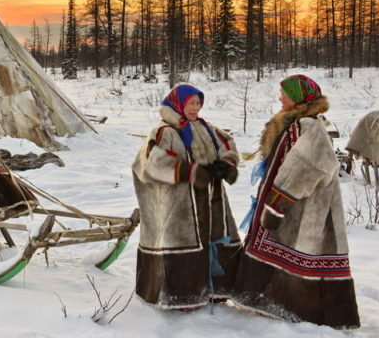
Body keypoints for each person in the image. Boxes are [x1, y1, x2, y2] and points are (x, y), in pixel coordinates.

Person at [231, 75, 360, 329]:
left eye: (285, 94)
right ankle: (279, 303)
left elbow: (308, 167)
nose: (280, 98)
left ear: (298, 98)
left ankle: (311, 311)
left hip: (307, 207)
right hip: (298, 207)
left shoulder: (308, 126)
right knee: (290, 250)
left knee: (307, 250)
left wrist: (278, 202)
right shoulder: (298, 123)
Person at [132, 84, 241, 310]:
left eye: (198, 103)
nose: (196, 107)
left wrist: (227, 164)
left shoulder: (205, 127)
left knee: (214, 237)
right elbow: (148, 163)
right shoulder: (164, 131)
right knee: (184, 243)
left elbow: (227, 143)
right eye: (191, 103)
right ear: (178, 103)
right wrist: (188, 171)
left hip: (212, 200)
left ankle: (216, 290)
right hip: (180, 205)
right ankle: (182, 297)